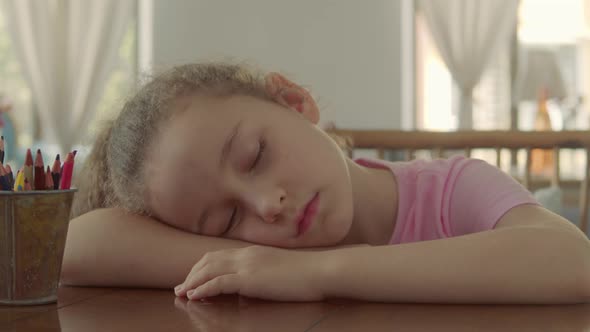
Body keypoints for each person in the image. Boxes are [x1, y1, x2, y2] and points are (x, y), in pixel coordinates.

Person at [63, 62, 590, 304]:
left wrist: (312, 271)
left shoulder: (454, 187)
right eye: (226, 220)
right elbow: (73, 246)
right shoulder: (250, 254)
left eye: (256, 155)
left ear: (294, 101)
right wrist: (244, 259)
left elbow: (573, 260)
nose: (267, 204)